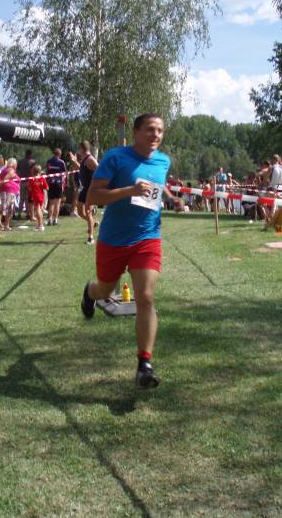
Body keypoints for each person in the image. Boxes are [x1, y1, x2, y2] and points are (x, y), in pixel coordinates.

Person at [80, 113, 182, 389]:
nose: (156, 135)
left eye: (160, 131)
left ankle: (144, 365)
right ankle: (90, 292)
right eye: (150, 129)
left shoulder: (163, 160)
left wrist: (171, 199)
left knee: (145, 297)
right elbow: (93, 196)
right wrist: (129, 191)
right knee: (105, 289)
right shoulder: (116, 157)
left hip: (147, 237)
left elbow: (157, 185)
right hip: (113, 239)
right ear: (136, 132)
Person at [69, 141, 99, 244]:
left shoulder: (90, 159)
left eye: (79, 148)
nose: (78, 151)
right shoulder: (84, 159)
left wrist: (97, 184)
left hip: (91, 189)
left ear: (82, 148)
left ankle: (91, 238)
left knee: (88, 211)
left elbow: (100, 169)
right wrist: (74, 161)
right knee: (80, 212)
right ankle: (93, 223)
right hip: (85, 188)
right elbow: (81, 169)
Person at [46, 148, 67, 225]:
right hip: (58, 183)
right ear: (60, 154)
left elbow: (47, 171)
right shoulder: (61, 162)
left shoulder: (49, 161)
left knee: (51, 202)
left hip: (50, 183)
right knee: (57, 203)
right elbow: (65, 173)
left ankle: (49, 220)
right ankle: (55, 220)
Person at [0, 158, 21, 231]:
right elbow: (5, 179)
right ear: (13, 164)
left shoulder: (5, 170)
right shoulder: (11, 170)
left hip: (7, 191)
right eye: (16, 164)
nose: (16, 165)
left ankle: (5, 225)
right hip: (8, 191)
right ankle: (4, 225)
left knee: (5, 209)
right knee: (7, 209)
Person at [27, 164, 49, 231]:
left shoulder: (32, 179)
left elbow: (29, 188)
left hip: (35, 196)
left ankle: (40, 226)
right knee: (40, 210)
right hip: (41, 196)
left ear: (33, 171)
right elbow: (47, 188)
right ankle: (40, 225)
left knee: (38, 210)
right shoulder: (42, 178)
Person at [17, 149, 36, 219]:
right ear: (30, 154)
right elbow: (35, 171)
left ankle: (19, 213)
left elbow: (17, 170)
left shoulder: (20, 161)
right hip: (29, 181)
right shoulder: (33, 161)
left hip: (22, 181)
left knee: (21, 198)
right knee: (28, 198)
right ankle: (28, 214)